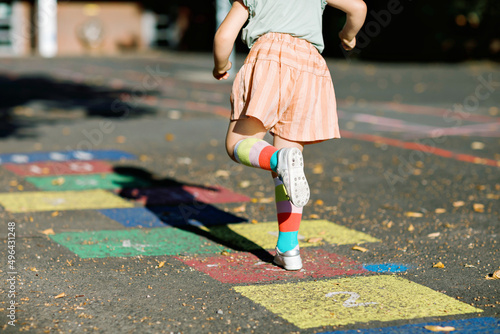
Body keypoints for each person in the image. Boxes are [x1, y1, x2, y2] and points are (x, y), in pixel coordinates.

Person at [212, 0, 367, 270]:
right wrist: (347, 36)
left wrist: (220, 65)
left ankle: (278, 159)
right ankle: (289, 249)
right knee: (288, 162)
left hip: (269, 59)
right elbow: (358, 8)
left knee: (238, 144)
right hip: (310, 67)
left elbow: (224, 36)